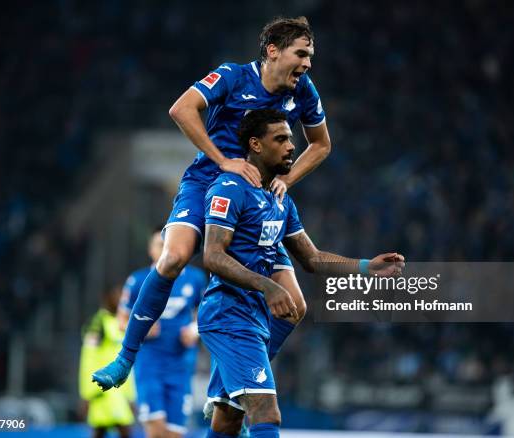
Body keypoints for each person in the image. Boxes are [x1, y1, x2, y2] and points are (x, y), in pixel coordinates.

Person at [93, 16, 332, 391]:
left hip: (256, 196)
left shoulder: (303, 91)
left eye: (311, 56)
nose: (307, 63)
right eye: (301, 54)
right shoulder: (233, 76)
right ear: (272, 51)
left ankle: (228, 385)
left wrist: (286, 179)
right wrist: (224, 160)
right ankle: (125, 357)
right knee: (172, 258)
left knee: (297, 306)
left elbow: (321, 144)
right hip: (206, 180)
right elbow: (181, 109)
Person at [200, 109, 404, 437]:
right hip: (229, 316)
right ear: (255, 145)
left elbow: (313, 258)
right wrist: (268, 286)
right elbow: (212, 255)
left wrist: (367, 267)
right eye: (280, 139)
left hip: (255, 320)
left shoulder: (281, 201)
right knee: (267, 412)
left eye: (291, 139)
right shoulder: (229, 188)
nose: (291, 146)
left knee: (227, 420)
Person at [118, 227, 207, 438]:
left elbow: (205, 313)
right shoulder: (138, 280)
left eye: (167, 243)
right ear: (150, 250)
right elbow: (121, 320)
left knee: (174, 434)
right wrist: (141, 327)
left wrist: (195, 331)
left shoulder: (195, 279)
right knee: (156, 431)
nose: (164, 249)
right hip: (149, 365)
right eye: (159, 244)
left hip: (181, 367)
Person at [79, 285, 135, 438]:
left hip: (119, 390)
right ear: (108, 299)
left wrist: (130, 395)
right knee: (123, 430)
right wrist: (87, 392)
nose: (122, 300)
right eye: (118, 296)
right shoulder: (98, 323)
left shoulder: (122, 323)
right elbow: (88, 357)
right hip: (102, 389)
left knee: (101, 431)